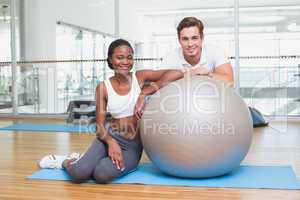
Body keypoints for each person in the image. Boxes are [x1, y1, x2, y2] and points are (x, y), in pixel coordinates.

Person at [39, 39, 182, 183]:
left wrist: (145, 93)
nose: (125, 62)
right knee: (79, 173)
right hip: (109, 137)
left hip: (132, 146)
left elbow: (177, 73)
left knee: (101, 175)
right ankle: (66, 160)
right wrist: (111, 142)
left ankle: (89, 159)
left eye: (129, 57)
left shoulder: (140, 77)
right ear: (111, 60)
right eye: (120, 57)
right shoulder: (103, 87)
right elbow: (99, 127)